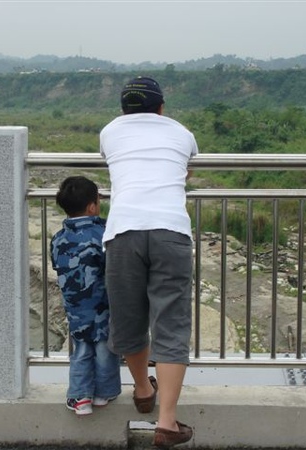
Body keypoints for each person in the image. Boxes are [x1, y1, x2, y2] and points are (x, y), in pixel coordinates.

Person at [100, 76, 198, 447]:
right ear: (161, 107)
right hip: (170, 231)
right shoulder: (181, 133)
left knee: (128, 314)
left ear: (123, 109)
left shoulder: (109, 132)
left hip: (123, 230)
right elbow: (185, 170)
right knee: (170, 322)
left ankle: (142, 389)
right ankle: (168, 422)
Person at [50, 176, 121, 416]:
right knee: (105, 347)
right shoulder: (104, 233)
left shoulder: (58, 239)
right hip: (104, 304)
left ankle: (80, 398)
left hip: (75, 306)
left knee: (81, 348)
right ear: (92, 206)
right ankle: (104, 393)